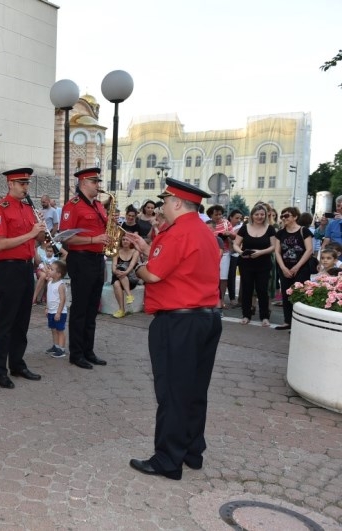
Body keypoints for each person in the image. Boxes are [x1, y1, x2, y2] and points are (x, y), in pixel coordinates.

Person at [124, 178, 221, 481]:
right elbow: (177, 263)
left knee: (172, 392)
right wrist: (148, 247)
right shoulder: (203, 231)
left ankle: (167, 460)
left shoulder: (176, 232)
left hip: (179, 322)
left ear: (177, 203)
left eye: (166, 201)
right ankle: (192, 451)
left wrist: (137, 262)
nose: (162, 206)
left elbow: (153, 274)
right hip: (206, 318)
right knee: (194, 390)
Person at [0, 167, 46, 389]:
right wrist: (31, 234)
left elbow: (37, 239)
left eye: (27, 183)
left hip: (25, 268)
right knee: (5, 322)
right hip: (8, 269)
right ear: (10, 184)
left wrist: (40, 230)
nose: (25, 187)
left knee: (22, 320)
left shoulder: (28, 208)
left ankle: (17, 363)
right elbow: (1, 244)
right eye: (21, 183)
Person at [59, 167, 109, 370]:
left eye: (98, 181)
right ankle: (76, 353)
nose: (98, 185)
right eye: (94, 181)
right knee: (80, 308)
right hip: (81, 259)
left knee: (92, 308)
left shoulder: (98, 205)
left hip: (98, 259)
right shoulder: (73, 206)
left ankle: (89, 351)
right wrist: (92, 239)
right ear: (83, 183)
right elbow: (65, 237)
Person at [232, 203, 276, 326]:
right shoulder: (245, 227)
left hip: (263, 263)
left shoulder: (270, 228)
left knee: (262, 290)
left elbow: (274, 246)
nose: (259, 217)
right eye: (256, 214)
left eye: (262, 214)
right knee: (247, 290)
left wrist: (261, 252)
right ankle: (246, 315)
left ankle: (264, 317)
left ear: (266, 215)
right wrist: (241, 252)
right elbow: (236, 244)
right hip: (246, 263)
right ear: (252, 215)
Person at [273, 207, 314, 331]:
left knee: (299, 295)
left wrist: (297, 266)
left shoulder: (304, 231)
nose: (284, 218)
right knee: (286, 295)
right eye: (282, 216)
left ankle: (299, 322)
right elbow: (277, 251)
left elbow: (309, 250)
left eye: (287, 216)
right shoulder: (280, 233)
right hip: (285, 267)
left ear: (295, 217)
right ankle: (287, 321)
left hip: (301, 268)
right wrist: (283, 267)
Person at [206, 205, 234, 308]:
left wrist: (228, 234)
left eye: (220, 214)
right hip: (209, 254)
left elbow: (234, 236)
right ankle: (210, 298)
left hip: (225, 252)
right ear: (210, 215)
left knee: (223, 278)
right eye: (216, 214)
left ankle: (221, 299)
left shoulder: (227, 223)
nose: (219, 216)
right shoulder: (207, 224)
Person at [110, 235, 140, 318]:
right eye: (123, 239)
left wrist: (125, 272)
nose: (125, 241)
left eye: (127, 240)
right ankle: (123, 307)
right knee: (116, 282)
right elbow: (114, 266)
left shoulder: (135, 252)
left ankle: (123, 307)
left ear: (131, 241)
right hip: (118, 275)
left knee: (121, 270)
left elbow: (131, 265)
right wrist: (115, 271)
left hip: (131, 278)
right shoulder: (117, 251)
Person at [45, 259, 68, 358]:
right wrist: (47, 308)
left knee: (60, 330)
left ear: (58, 274)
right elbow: (49, 296)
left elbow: (62, 300)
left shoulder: (60, 285)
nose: (49, 270)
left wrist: (58, 313)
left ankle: (61, 349)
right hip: (51, 311)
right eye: (49, 268)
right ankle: (56, 346)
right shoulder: (50, 282)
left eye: (52, 269)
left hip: (59, 312)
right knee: (53, 329)